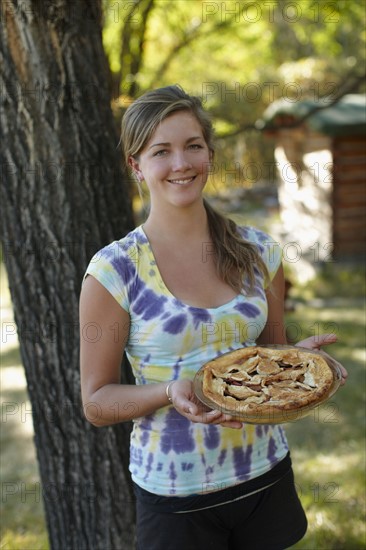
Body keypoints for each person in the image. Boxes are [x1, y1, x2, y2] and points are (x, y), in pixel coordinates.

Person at [79, 85, 347, 550]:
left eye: (193, 146)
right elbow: (97, 402)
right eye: (161, 151)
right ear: (136, 166)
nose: (181, 163)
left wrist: (299, 365)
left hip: (264, 474)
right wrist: (169, 392)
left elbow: (270, 353)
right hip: (176, 494)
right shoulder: (114, 270)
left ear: (209, 154)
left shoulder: (260, 251)